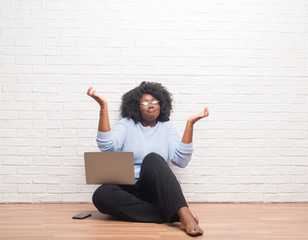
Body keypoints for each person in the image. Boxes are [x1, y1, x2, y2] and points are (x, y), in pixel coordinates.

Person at [87, 81, 209, 236]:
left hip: (152, 189)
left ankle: (184, 213)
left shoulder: (167, 127)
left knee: (152, 159)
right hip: (127, 187)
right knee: (101, 195)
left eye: (154, 101)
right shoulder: (126, 124)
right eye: (144, 102)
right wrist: (103, 108)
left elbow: (180, 161)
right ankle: (171, 214)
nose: (150, 105)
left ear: (161, 104)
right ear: (136, 107)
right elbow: (107, 147)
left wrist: (190, 125)